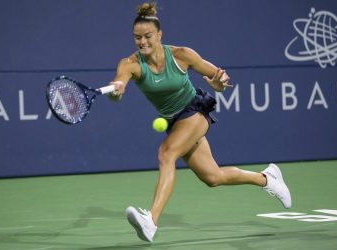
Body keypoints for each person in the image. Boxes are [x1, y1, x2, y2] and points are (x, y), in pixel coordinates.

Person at [108, 2, 291, 243]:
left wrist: (218, 83)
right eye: (137, 38)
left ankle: (151, 220)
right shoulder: (129, 64)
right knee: (213, 177)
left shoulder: (181, 55)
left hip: (195, 110)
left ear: (159, 35)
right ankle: (267, 178)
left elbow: (218, 76)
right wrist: (116, 91)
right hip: (175, 122)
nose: (142, 42)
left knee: (166, 153)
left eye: (148, 36)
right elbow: (116, 90)